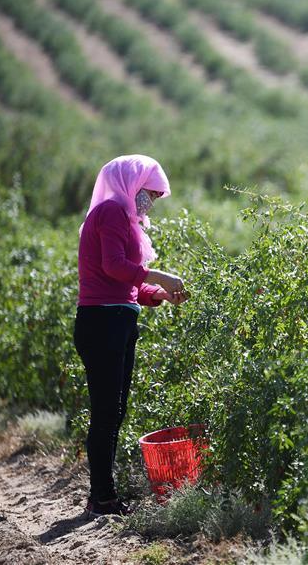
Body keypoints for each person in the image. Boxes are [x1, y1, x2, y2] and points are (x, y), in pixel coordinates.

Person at [74, 154, 189, 516]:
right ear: (132, 185)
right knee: (107, 412)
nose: (151, 202)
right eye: (150, 193)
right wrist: (159, 275)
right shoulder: (110, 212)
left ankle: (103, 494)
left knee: (114, 410)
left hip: (117, 321)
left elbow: (128, 285)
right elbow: (114, 267)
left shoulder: (124, 219)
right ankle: (102, 497)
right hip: (103, 323)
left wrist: (161, 295)